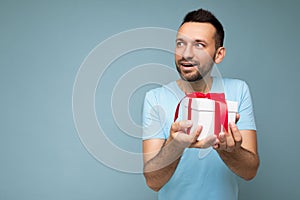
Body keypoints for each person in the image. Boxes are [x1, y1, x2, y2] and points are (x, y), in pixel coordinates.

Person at [142, 8, 259, 200]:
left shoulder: (238, 91)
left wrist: (228, 150)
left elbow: (250, 171)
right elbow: (153, 182)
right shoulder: (154, 98)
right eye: (181, 44)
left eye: (199, 45)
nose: (186, 53)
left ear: (219, 54)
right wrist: (176, 145)